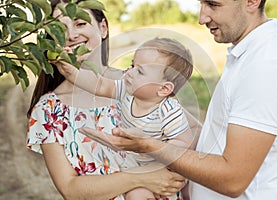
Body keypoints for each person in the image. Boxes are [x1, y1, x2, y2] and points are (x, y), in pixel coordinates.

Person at [79, 0, 277, 199]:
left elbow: (233, 180)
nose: (201, 18)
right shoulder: (248, 57)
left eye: (213, 5)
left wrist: (148, 145)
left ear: (251, 2)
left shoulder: (266, 68)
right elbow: (222, 139)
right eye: (201, 4)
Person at [26, 1, 187, 200]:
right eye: (60, 28)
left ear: (103, 29)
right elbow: (70, 190)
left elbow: (189, 136)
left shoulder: (143, 86)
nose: (71, 35)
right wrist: (140, 178)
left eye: (80, 23)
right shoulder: (48, 111)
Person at [57, 37, 195, 200]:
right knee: (134, 192)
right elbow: (100, 85)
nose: (129, 72)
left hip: (162, 165)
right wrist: (72, 73)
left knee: (141, 195)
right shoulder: (128, 91)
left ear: (164, 89)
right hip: (137, 162)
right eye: (132, 65)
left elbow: (184, 142)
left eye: (140, 71)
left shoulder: (168, 110)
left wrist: (154, 149)